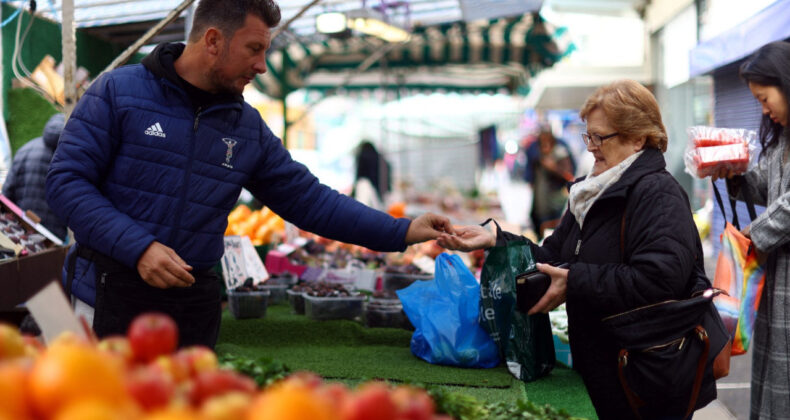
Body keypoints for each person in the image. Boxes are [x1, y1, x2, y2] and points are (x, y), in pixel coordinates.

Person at [45, 0, 452, 348]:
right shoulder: (117, 92)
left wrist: (401, 231)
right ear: (213, 41)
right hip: (105, 296)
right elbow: (66, 183)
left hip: (193, 308)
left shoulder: (246, 127)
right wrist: (138, 248)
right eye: (254, 49)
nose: (261, 66)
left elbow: (310, 201)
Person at [438, 80, 711, 419]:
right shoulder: (593, 193)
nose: (591, 147)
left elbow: (660, 280)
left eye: (601, 137)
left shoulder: (658, 194)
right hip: (602, 368)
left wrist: (575, 280)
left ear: (638, 138)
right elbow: (552, 256)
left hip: (644, 377)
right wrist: (497, 239)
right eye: (588, 136)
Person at [712, 40, 790, 420]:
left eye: (764, 97)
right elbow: (767, 188)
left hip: (782, 275)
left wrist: (748, 239)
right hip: (778, 279)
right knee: (775, 379)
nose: (763, 109)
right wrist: (733, 174)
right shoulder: (781, 143)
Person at [3, 113, 67, 240]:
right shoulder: (70, 156)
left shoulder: (26, 148)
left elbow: (7, 193)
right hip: (54, 235)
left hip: (23, 228)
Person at [523, 128, 575, 237]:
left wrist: (554, 168)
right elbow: (531, 180)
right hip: (540, 208)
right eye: (542, 144)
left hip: (556, 207)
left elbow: (570, 176)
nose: (544, 147)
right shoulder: (536, 156)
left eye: (547, 143)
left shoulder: (560, 153)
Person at [351, 141, 391, 210]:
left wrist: (353, 192)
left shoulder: (363, 156)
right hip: (381, 191)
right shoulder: (381, 157)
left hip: (367, 188)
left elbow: (359, 175)